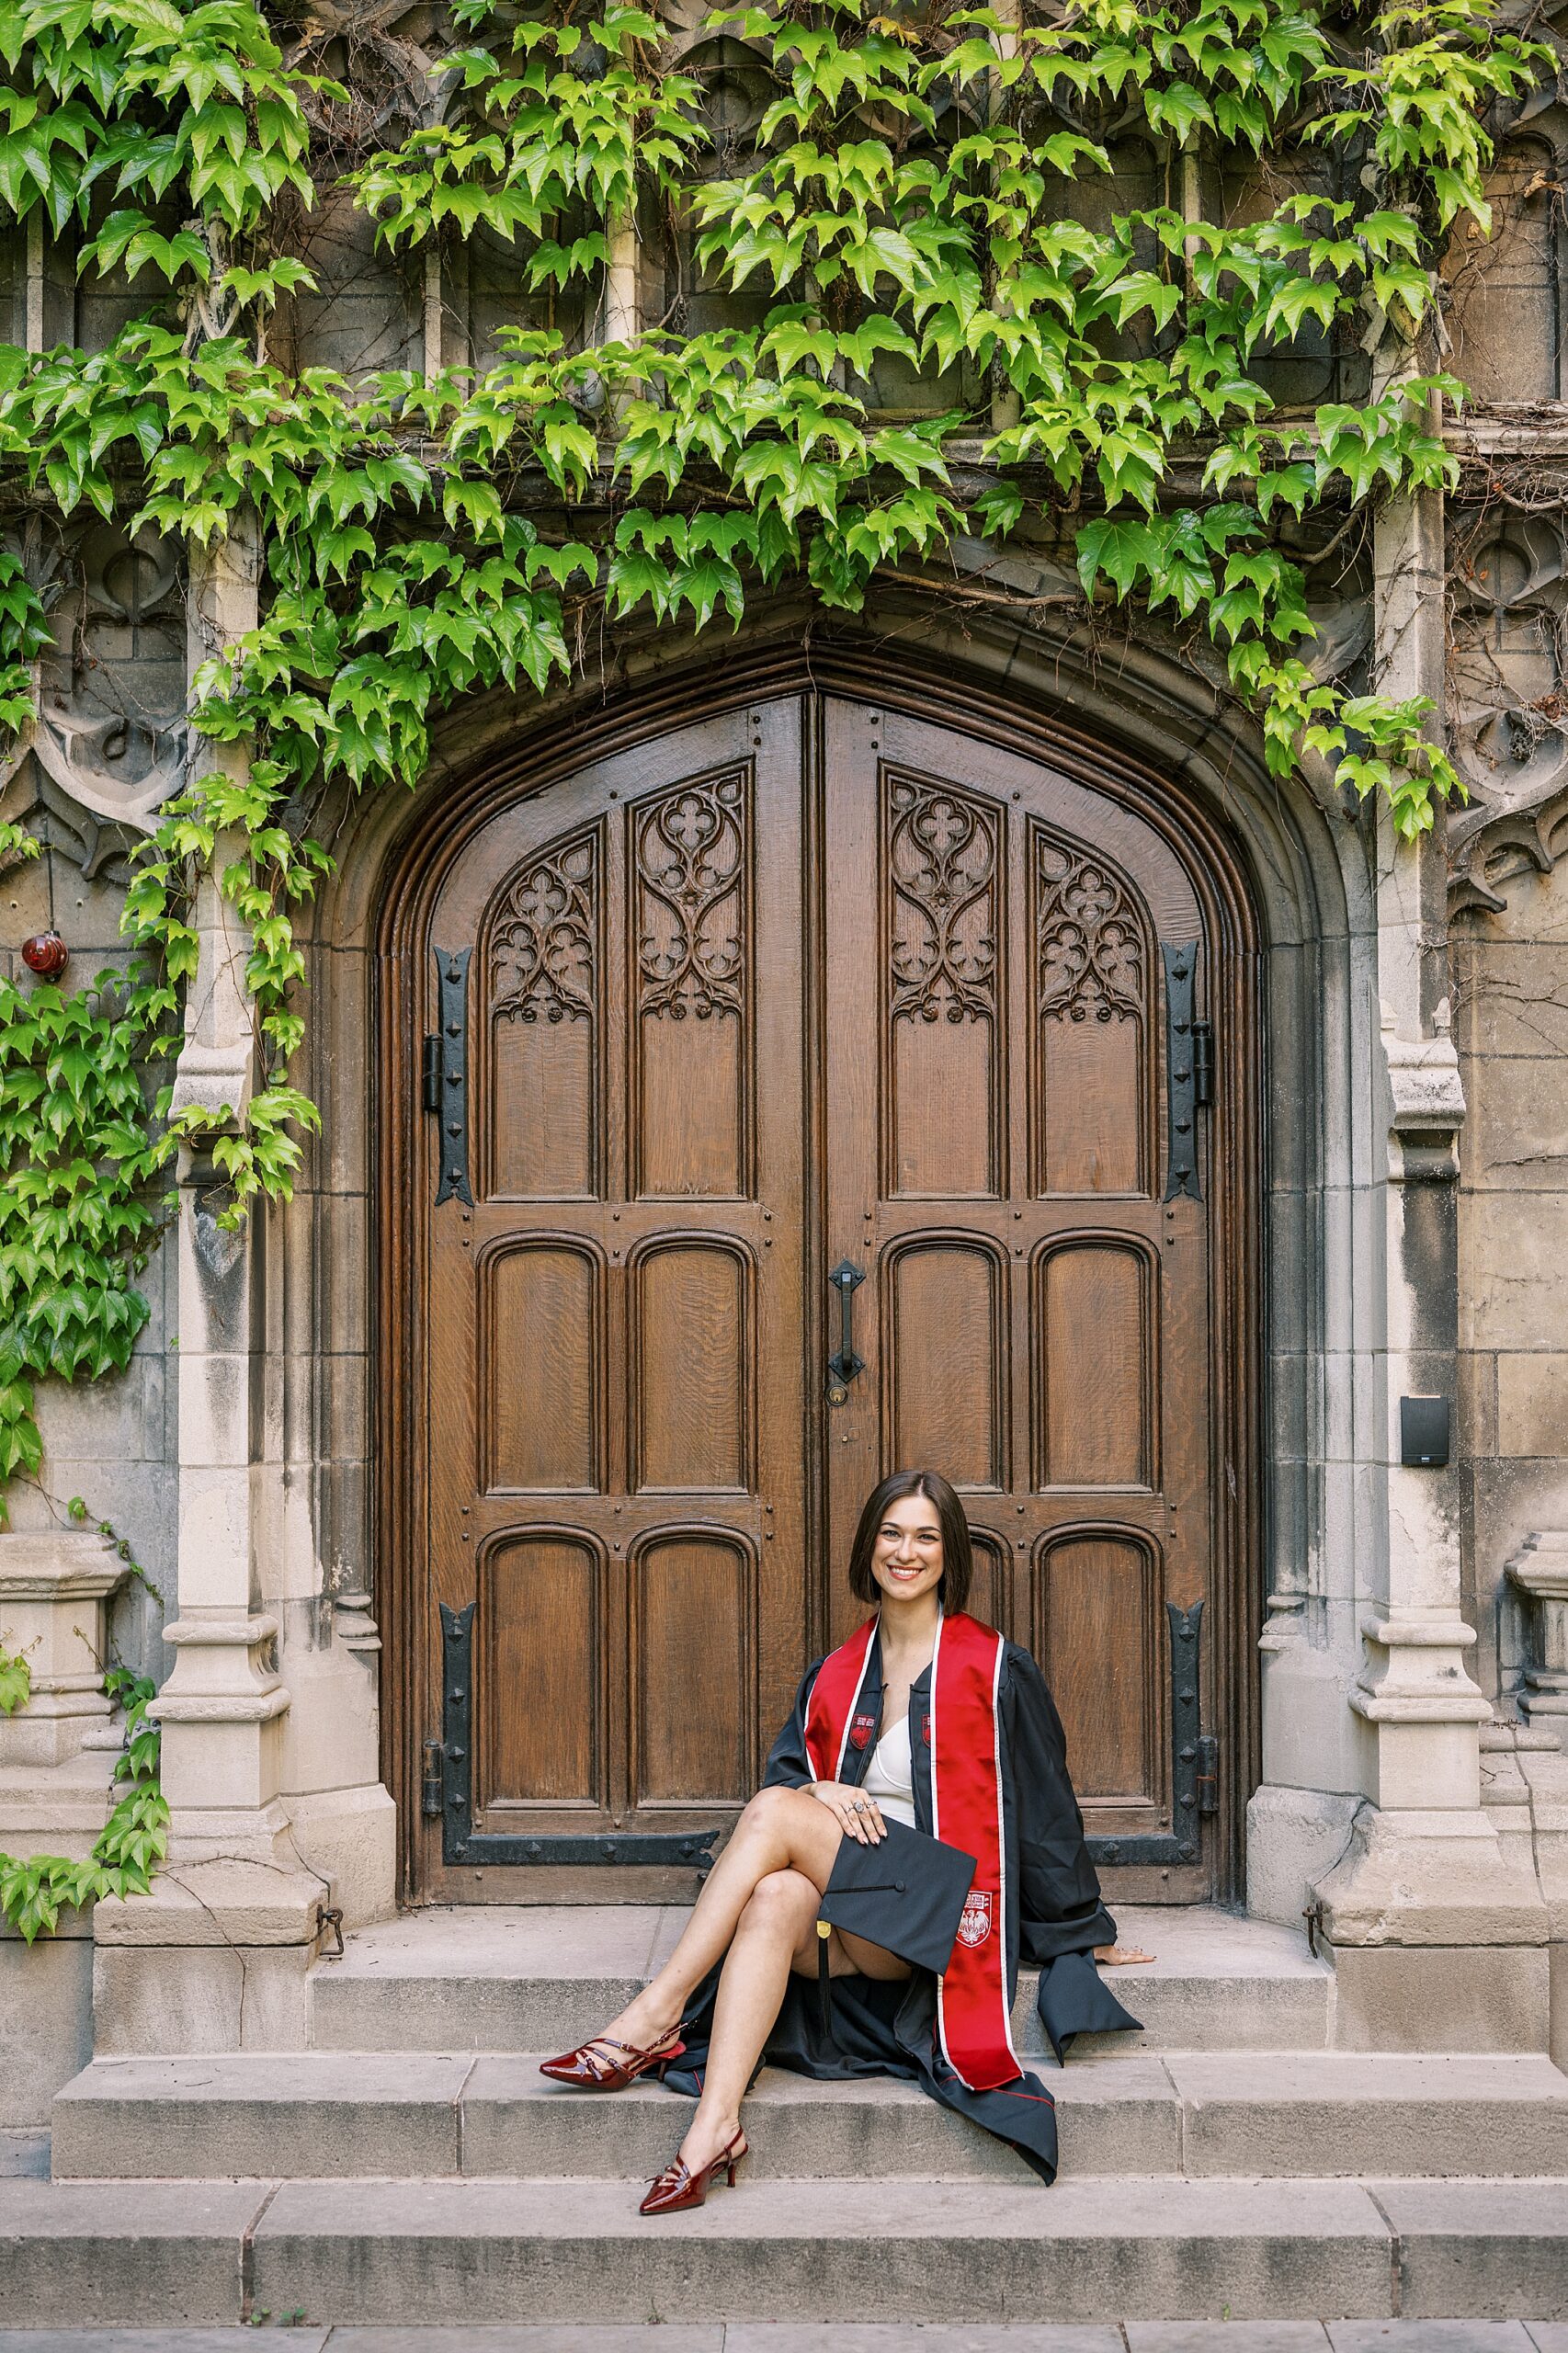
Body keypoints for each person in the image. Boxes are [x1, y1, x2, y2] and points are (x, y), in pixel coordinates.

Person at [540, 1468, 1152, 2211]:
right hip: (852, 1914)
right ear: (869, 1547)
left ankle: (657, 2011)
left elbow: (1048, 1811)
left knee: (772, 1811)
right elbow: (785, 1786)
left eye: (926, 1536)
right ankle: (714, 2126)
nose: (907, 1551)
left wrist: (1080, 1930)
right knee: (773, 1894)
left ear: (949, 1554)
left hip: (938, 1910)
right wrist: (814, 1788)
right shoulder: (835, 1676)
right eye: (892, 1533)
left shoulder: (995, 1671)